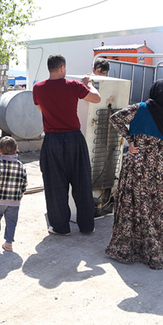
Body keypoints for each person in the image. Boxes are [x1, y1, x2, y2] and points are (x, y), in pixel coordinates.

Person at [105, 79, 163, 270]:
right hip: (160, 170)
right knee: (158, 209)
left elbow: (115, 118)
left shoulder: (140, 108)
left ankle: (127, 249)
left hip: (136, 166)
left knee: (132, 206)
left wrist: (130, 139)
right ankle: (155, 252)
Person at [32, 54, 101, 235]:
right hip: (74, 139)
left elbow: (41, 108)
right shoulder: (73, 85)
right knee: (82, 182)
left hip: (52, 139)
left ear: (50, 68)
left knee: (55, 184)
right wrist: (89, 84)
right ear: (62, 68)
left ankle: (61, 227)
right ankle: (86, 226)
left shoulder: (38, 88)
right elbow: (97, 98)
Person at [0, 136, 28, 252]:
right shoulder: (21, 166)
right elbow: (24, 183)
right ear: (16, 149)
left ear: (0, 151)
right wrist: (20, 194)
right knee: (11, 221)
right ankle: (8, 243)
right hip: (14, 201)